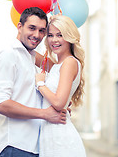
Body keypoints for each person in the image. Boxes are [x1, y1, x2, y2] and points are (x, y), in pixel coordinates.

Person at [0, 7, 67, 157]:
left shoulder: (30, 57)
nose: (36, 35)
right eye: (32, 28)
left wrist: (58, 25)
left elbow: (60, 69)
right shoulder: (9, 55)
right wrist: (45, 114)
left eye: (42, 31)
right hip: (15, 146)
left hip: (34, 146)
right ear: (20, 27)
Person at [35, 15, 87, 157]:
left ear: (69, 37)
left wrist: (40, 84)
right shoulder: (57, 65)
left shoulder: (69, 63)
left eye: (60, 35)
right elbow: (31, 53)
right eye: (50, 35)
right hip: (51, 136)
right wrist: (45, 21)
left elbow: (58, 103)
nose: (54, 40)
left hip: (61, 139)